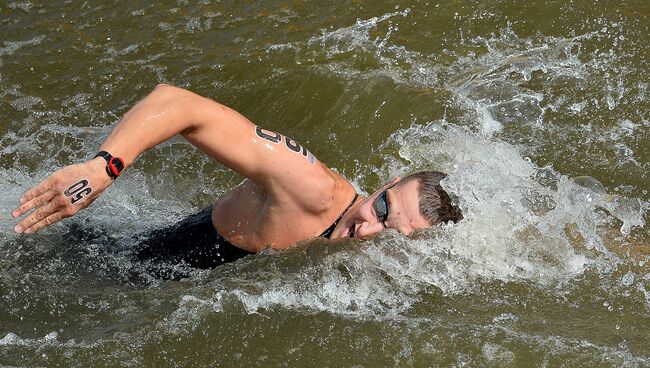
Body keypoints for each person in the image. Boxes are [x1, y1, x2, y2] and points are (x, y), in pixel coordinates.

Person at [10, 85, 462, 275]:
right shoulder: (308, 186)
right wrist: (104, 166)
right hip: (137, 261)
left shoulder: (383, 258)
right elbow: (180, 103)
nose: (369, 228)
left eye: (393, 233)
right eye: (381, 208)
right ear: (386, 184)